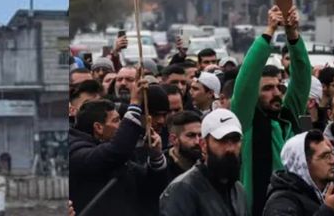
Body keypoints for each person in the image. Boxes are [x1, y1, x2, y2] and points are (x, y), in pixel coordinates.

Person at [231, 5, 311, 216]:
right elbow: (246, 80)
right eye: (267, 88)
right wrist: (269, 32)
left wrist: (292, 34)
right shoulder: (245, 123)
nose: (276, 93)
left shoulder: (288, 117)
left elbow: (302, 77)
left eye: (279, 87)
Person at [69, 77, 168, 216]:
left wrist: (156, 156)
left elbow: (151, 188)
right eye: (116, 121)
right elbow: (116, 152)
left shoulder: (122, 156)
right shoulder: (75, 151)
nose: (122, 125)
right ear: (98, 127)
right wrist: (134, 105)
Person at [159, 109, 249, 216]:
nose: (230, 148)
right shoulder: (182, 190)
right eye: (222, 140)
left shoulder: (238, 190)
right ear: (203, 145)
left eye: (235, 140)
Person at [262, 130, 334, 216]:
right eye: (325, 156)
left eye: (333, 154)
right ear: (303, 162)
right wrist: (329, 210)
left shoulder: (315, 194)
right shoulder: (282, 202)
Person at [165, 111, 203, 182]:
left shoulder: (207, 164)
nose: (197, 141)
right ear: (173, 139)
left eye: (200, 135)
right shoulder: (163, 168)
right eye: (191, 135)